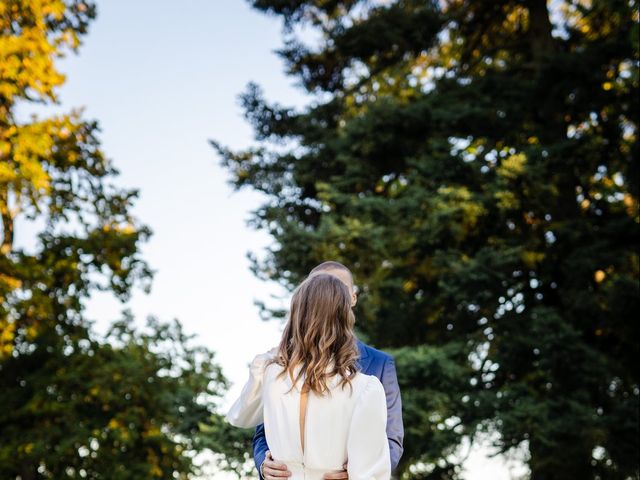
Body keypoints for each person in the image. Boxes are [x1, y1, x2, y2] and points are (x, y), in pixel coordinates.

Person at [225, 270, 394, 480]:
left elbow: (239, 416)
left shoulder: (270, 374)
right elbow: (371, 476)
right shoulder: (364, 389)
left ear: (296, 315)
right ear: (344, 318)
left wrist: (282, 350)